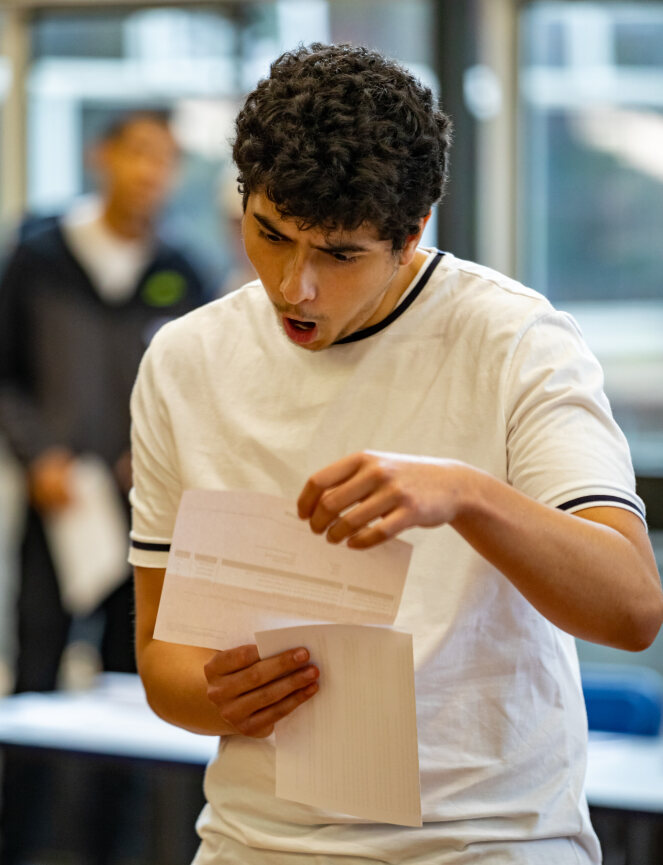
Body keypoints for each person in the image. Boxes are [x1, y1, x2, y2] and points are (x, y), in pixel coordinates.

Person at [130, 44, 663, 865]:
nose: (294, 285)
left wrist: (467, 495)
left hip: (486, 841)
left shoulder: (516, 340)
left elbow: (629, 608)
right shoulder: (184, 359)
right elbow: (161, 656)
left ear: (411, 235)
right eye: (270, 234)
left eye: (339, 254)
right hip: (253, 840)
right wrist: (218, 694)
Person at [0, 109, 206, 864]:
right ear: (102, 156)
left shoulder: (181, 270)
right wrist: (38, 454)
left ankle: (120, 848)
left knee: (133, 682)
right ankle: (24, 843)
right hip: (59, 506)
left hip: (142, 515)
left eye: (167, 158)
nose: (152, 172)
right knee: (38, 672)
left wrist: (153, 456)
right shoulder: (39, 258)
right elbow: (7, 374)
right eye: (139, 153)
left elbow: (195, 385)